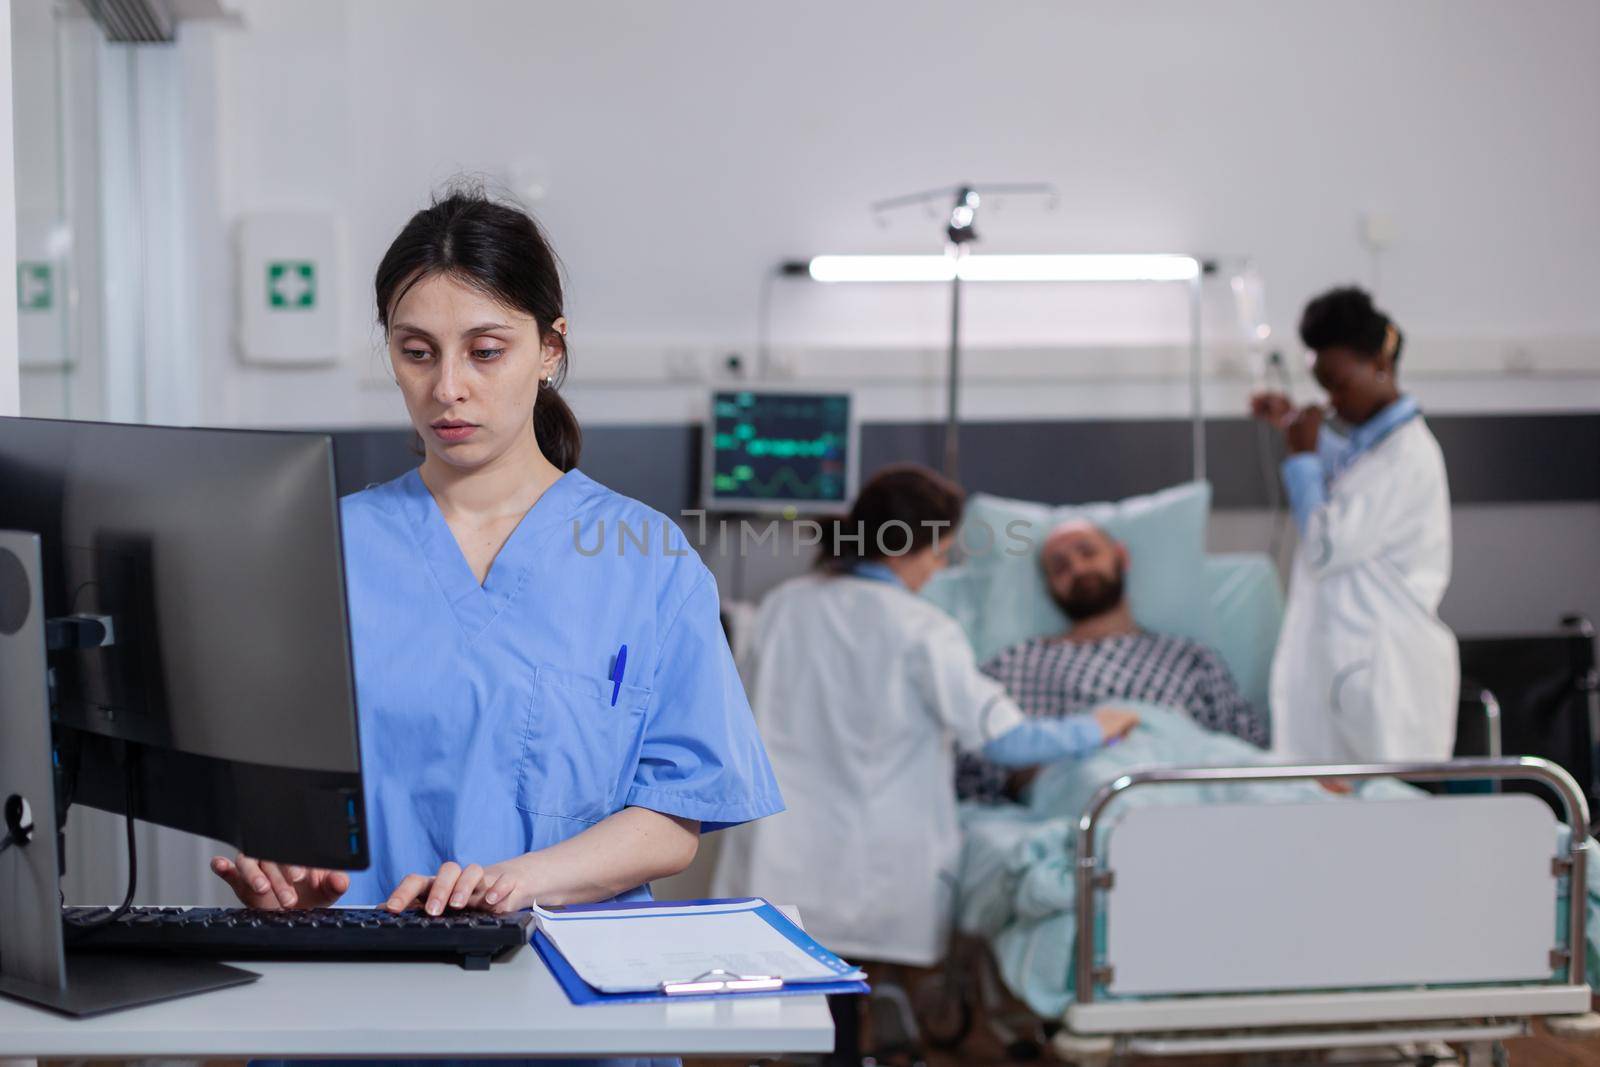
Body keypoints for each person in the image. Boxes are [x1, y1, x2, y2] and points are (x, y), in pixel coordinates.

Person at [209, 190, 783, 950]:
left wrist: (510, 885)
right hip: (358, 987)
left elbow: (674, 817)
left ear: (550, 348)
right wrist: (293, 880)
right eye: (416, 352)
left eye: (485, 351)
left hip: (570, 988)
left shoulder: (646, 559)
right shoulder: (321, 549)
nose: (448, 387)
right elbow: (275, 794)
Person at [711, 465, 1137, 970]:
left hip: (777, 861)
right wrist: (1097, 727)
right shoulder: (924, 628)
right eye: (938, 553)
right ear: (898, 550)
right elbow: (1007, 742)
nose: (938, 570)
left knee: (786, 1006)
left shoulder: (784, 605)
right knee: (854, 998)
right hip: (875, 873)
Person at [1250, 285, 1457, 762]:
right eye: (1324, 388)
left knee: (1386, 815)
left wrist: (1301, 458)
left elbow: (1325, 545)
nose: (1333, 401)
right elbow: (1345, 475)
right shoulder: (1374, 448)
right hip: (1354, 662)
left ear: (1380, 367)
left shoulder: (1405, 457)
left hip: (1381, 669)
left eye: (1340, 385)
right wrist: (1290, 425)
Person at [957, 519, 1266, 804]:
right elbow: (973, 770)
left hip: (1189, 780)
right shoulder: (1014, 666)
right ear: (1048, 587)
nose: (1077, 568)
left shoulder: (1191, 658)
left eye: (1087, 552)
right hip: (1086, 783)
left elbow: (1244, 750)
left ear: (1121, 556)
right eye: (1060, 566)